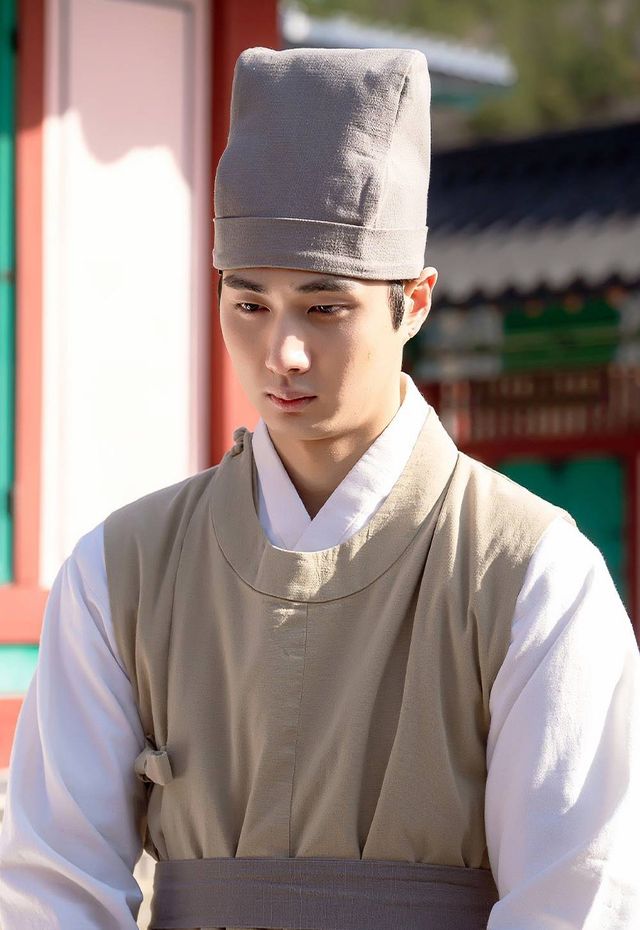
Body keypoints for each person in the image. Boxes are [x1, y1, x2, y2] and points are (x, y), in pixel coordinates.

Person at [1, 46, 639, 930]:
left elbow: (578, 900)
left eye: (325, 307)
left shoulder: (529, 571)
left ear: (414, 302)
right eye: (249, 305)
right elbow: (52, 888)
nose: (283, 354)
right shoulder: (123, 568)